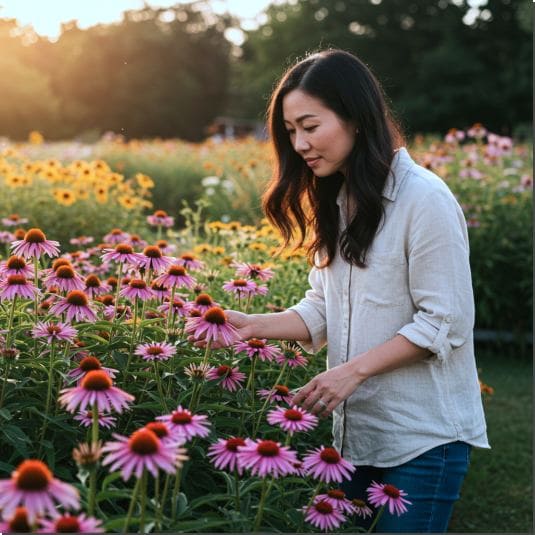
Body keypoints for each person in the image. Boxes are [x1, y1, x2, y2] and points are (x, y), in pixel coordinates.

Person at [193, 49, 490, 532]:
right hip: (355, 438)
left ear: (355, 116)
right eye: (290, 131)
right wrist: (251, 326)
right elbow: (324, 306)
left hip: (423, 441)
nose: (300, 144)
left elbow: (444, 323)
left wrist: (350, 373)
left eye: (310, 126)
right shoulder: (337, 199)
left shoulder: (425, 199)